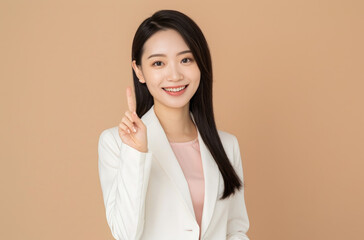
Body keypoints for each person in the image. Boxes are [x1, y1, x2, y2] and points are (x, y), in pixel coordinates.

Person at [98, 9, 250, 240]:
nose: (175, 75)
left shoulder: (227, 145)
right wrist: (136, 152)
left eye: (186, 60)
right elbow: (125, 234)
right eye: (158, 63)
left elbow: (235, 230)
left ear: (201, 64)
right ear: (139, 70)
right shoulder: (115, 144)